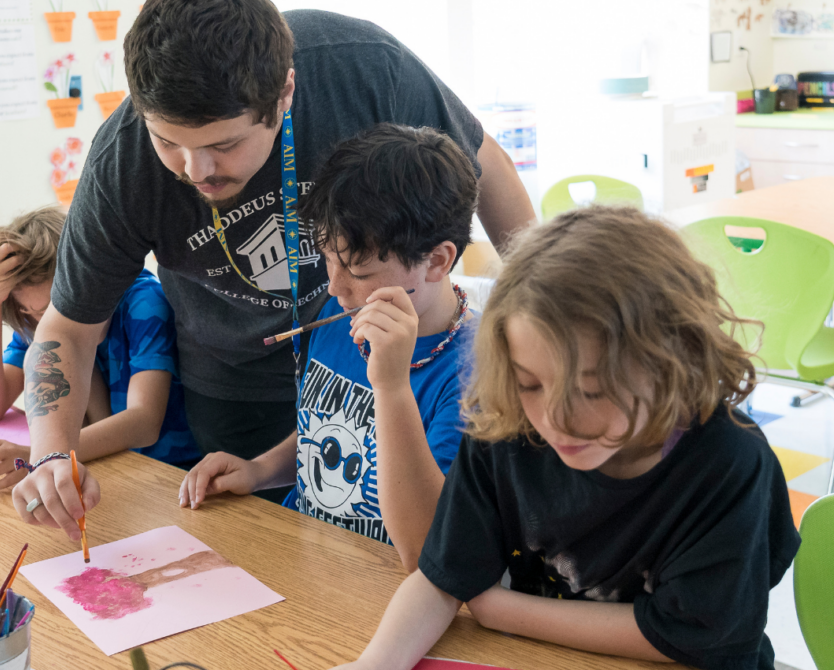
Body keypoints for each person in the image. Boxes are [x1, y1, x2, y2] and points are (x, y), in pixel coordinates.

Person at [13, 0, 535, 541]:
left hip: (379, 351)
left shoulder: (359, 66)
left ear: (284, 92)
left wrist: (534, 321)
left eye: (225, 144)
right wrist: (52, 452)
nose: (196, 171)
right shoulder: (121, 164)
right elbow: (68, 330)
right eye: (168, 142)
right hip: (233, 382)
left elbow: (483, 163)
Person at [332, 207, 801, 670]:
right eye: (529, 383)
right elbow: (440, 578)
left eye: (591, 390)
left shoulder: (729, 461)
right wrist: (373, 663)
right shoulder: (506, 420)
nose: (555, 420)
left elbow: (692, 637)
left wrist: (501, 609)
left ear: (671, 362)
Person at [178, 124, 476, 570]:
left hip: (387, 589)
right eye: (326, 258)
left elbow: (423, 550)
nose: (335, 287)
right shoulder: (346, 318)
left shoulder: (477, 373)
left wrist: (392, 385)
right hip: (309, 561)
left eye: (357, 271)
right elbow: (330, 428)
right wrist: (260, 470)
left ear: (436, 261)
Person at [0, 206, 198, 490]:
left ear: (84, 277)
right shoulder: (38, 320)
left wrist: (41, 456)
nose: (45, 322)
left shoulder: (144, 303)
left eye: (49, 309)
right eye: (29, 312)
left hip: (168, 477)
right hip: (105, 467)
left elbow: (144, 423)